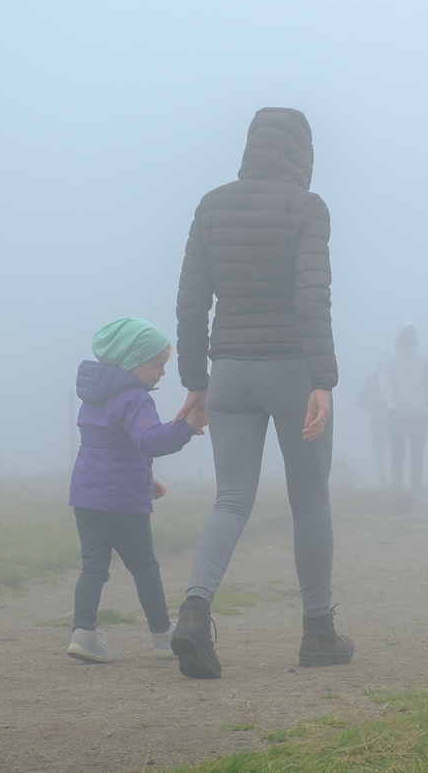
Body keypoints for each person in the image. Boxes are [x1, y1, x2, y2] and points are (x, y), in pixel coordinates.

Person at [170, 107, 353, 679]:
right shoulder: (307, 207)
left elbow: (191, 300)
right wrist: (322, 380)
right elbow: (310, 301)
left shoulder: (211, 205)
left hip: (229, 373)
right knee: (310, 501)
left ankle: (194, 616)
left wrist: (196, 381)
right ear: (303, 153)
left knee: (230, 498)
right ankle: (317, 634)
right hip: (291, 370)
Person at [66, 317, 205, 663]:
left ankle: (82, 634)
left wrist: (145, 478)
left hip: (86, 497)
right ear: (134, 361)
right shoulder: (134, 398)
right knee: (144, 567)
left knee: (92, 568)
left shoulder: (94, 397)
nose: (161, 373)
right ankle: (162, 636)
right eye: (157, 365)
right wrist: (187, 426)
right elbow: (148, 441)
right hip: (122, 502)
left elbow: (110, 447)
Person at [378, 325, 428, 493]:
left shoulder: (424, 360)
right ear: (399, 337)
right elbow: (385, 387)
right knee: (398, 456)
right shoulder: (390, 361)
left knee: (417, 457)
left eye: (411, 335)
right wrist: (392, 409)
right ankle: (397, 494)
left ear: (414, 337)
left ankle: (416, 495)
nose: (408, 338)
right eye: (404, 335)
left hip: (418, 415)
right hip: (396, 416)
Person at [356, 363, 389, 487]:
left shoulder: (375, 375)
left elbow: (361, 399)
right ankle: (393, 481)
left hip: (377, 414)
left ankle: (383, 480)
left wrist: (369, 409)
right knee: (391, 446)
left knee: (379, 446)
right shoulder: (394, 372)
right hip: (395, 415)